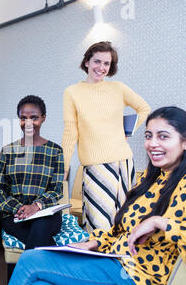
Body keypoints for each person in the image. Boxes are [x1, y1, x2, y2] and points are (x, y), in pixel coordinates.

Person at [7, 106, 186, 285]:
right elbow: (122, 232)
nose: (152, 144)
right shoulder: (149, 179)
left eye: (163, 137)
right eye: (148, 136)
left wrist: (159, 222)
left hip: (139, 276)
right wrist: (95, 243)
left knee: (30, 260)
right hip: (115, 259)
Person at [62, 41, 151, 232]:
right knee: (98, 226)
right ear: (86, 62)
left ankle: (120, 261)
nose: (101, 68)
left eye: (106, 64)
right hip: (94, 167)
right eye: (97, 61)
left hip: (123, 164)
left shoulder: (118, 88)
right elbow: (70, 133)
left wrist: (127, 131)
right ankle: (97, 261)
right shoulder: (72, 93)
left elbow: (144, 109)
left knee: (124, 222)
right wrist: (64, 166)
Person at [0, 95, 64, 249]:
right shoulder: (8, 151)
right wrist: (19, 208)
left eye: (34, 118)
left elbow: (56, 190)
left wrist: (36, 206)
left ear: (43, 118)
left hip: (46, 214)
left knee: (40, 225)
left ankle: (20, 272)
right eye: (23, 118)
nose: (28, 123)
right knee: (41, 238)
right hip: (14, 215)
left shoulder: (55, 151)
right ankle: (44, 270)